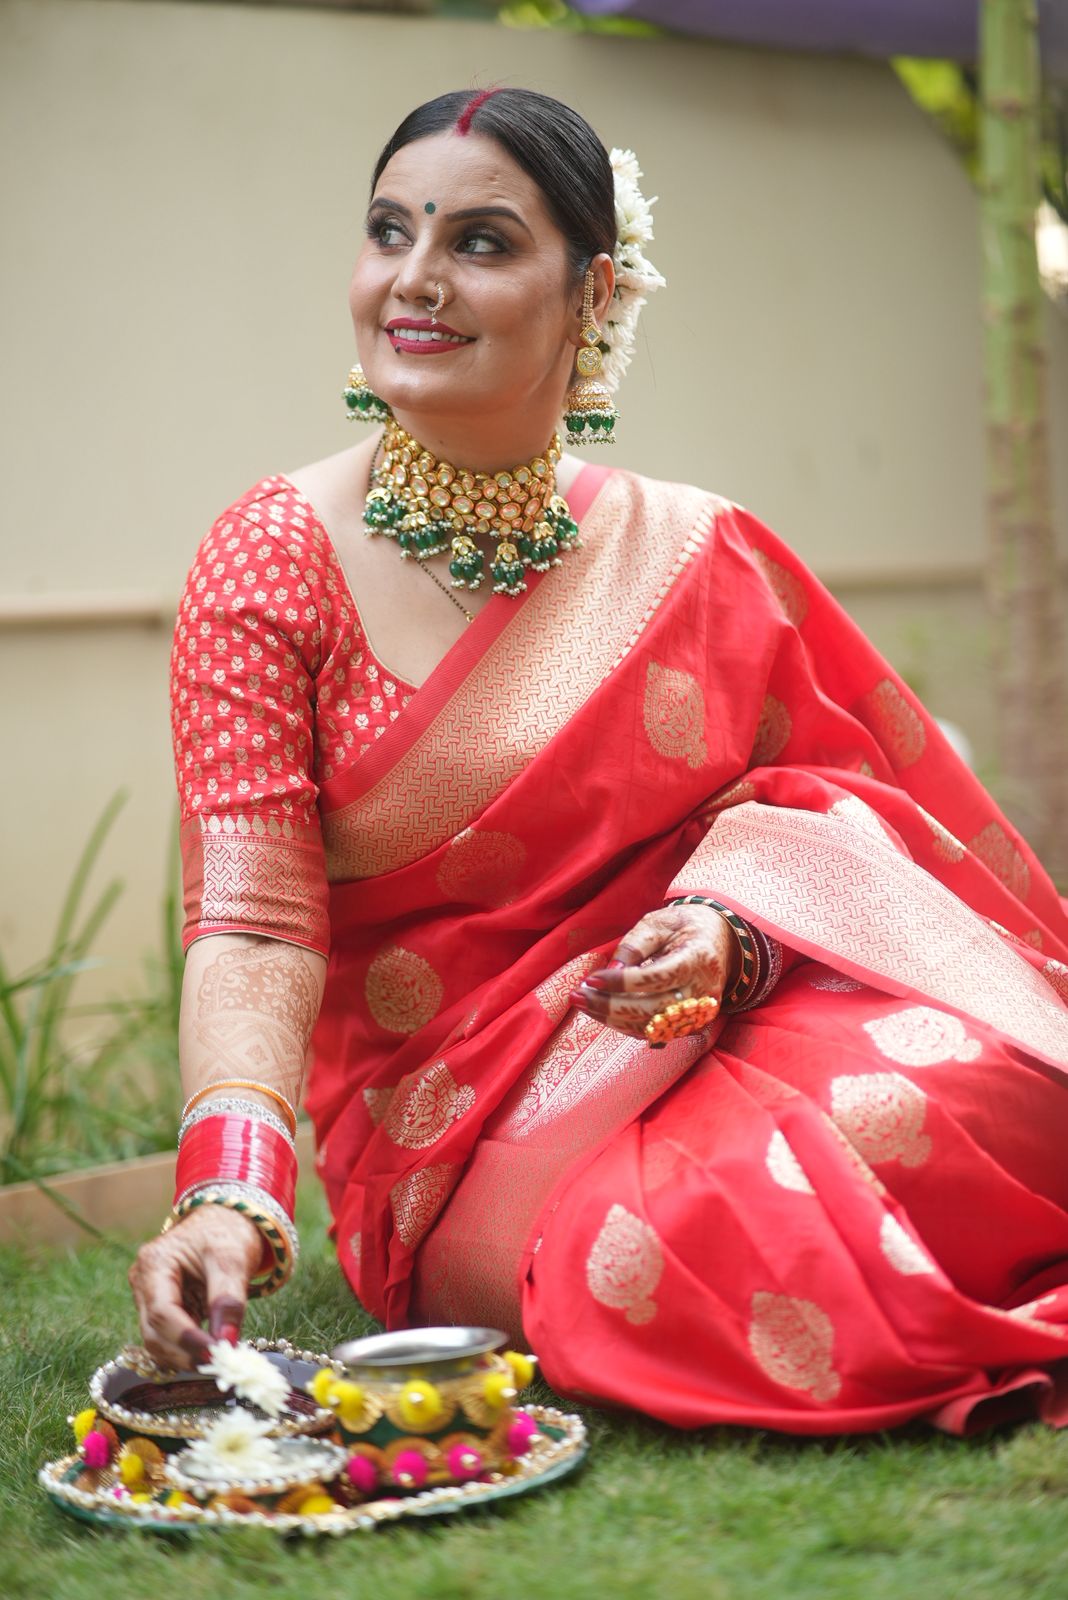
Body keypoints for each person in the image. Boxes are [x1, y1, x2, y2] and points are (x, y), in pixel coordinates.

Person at [130, 87, 1068, 1436]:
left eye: (480, 242)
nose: (414, 278)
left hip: (724, 1014)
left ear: (594, 294)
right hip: (464, 1125)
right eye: (390, 231)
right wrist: (229, 1191)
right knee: (700, 1231)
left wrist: (731, 931)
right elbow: (255, 923)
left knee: (981, 1080)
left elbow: (842, 794)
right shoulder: (270, 562)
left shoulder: (693, 551)